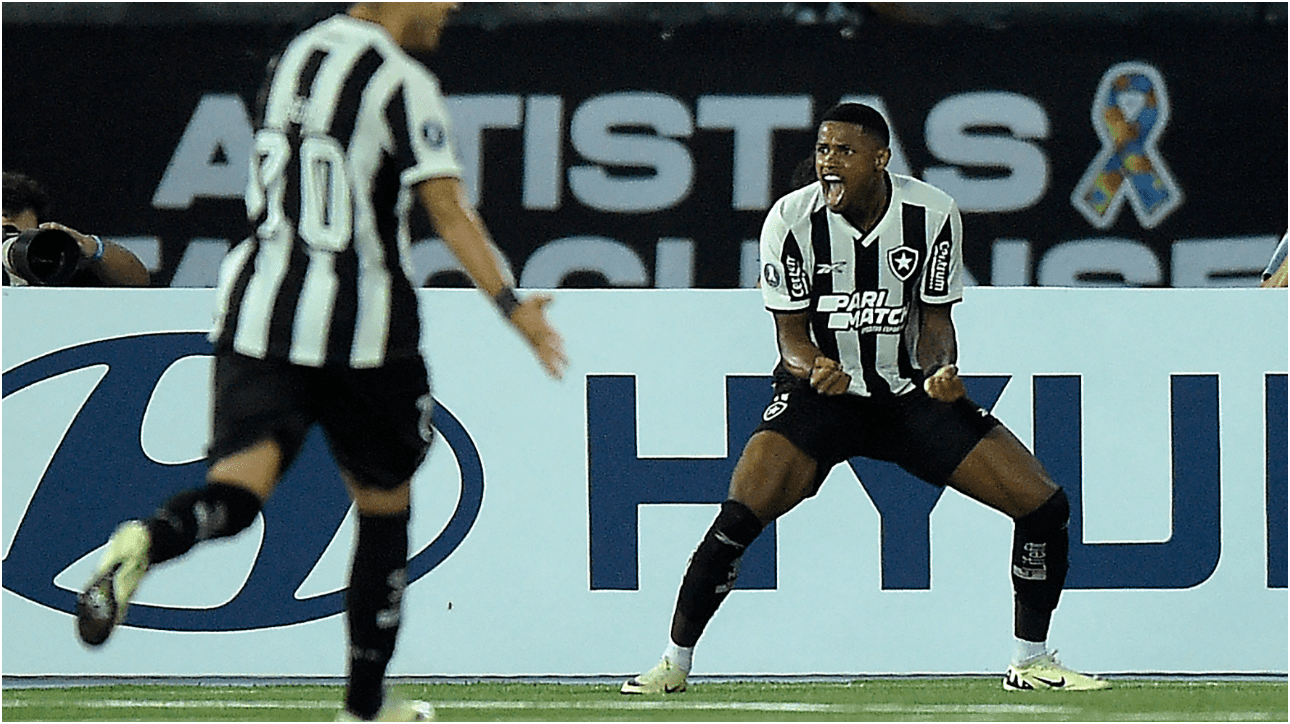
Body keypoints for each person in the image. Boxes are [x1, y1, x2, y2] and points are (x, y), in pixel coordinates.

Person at [74, 4, 567, 721]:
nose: (452, 6)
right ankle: (364, 708)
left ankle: (148, 538)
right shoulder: (402, 81)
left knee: (236, 497)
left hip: (259, 315)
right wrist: (511, 305)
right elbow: (448, 210)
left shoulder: (296, 56)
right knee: (383, 505)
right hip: (362, 330)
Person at [621, 103, 1109, 695]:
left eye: (844, 152)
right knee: (739, 514)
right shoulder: (790, 220)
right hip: (820, 398)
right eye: (823, 151)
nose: (828, 163)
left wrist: (941, 373)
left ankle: (1030, 661)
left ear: (880, 159)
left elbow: (933, 322)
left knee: (1043, 505)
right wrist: (813, 370)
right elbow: (791, 336)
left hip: (907, 399)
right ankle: (673, 664)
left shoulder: (931, 214)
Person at [2, 171, 150, 286]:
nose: (6, 240)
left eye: (14, 235)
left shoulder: (51, 264)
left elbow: (139, 281)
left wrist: (92, 247)